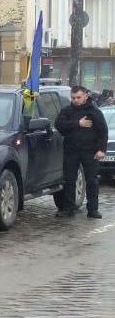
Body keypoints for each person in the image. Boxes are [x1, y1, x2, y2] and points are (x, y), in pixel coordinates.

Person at [55, 85, 108, 219]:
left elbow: (103, 132)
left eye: (78, 97)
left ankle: (93, 210)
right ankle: (68, 209)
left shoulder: (94, 112)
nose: (76, 100)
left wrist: (101, 150)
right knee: (69, 180)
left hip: (90, 151)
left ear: (85, 96)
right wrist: (77, 123)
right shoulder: (67, 111)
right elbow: (59, 125)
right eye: (73, 98)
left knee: (92, 181)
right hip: (71, 151)